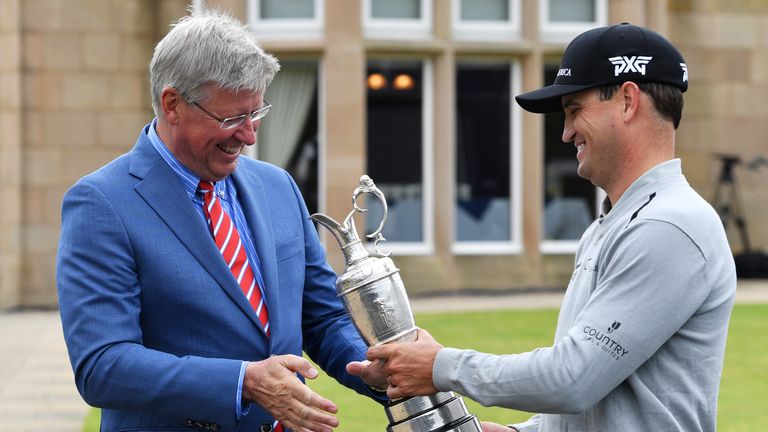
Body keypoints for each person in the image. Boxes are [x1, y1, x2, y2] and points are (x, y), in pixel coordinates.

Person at [349, 23, 736, 432]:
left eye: (574, 110)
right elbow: (597, 400)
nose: (567, 133)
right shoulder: (612, 225)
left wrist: (440, 365)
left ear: (627, 100)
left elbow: (574, 378)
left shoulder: (669, 225)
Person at [57, 10, 386, 432]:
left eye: (258, 113)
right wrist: (242, 382)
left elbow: (321, 317)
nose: (249, 135)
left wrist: (373, 366)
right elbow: (102, 364)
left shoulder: (277, 186)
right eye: (231, 118)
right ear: (172, 104)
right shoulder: (101, 202)